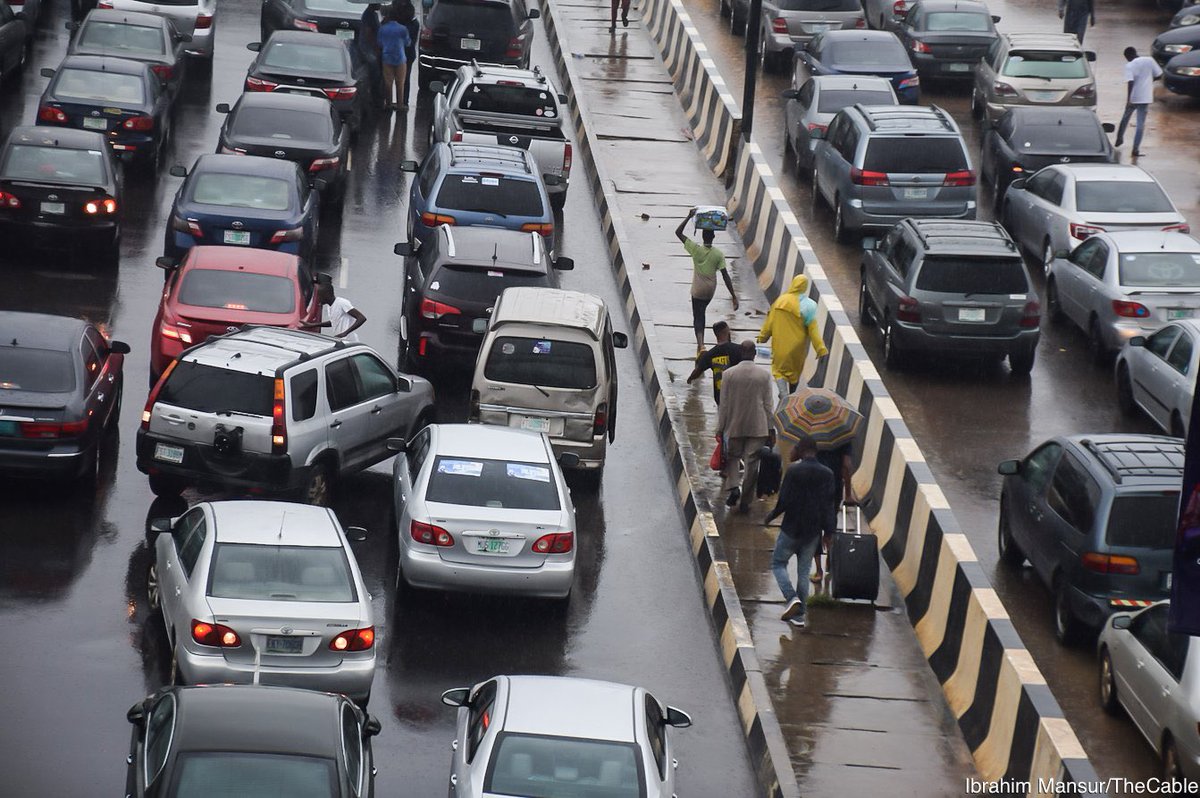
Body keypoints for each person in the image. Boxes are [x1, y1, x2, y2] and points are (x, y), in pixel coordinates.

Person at [764, 435, 836, 628]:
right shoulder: (827, 474)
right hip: (812, 532)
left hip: (791, 528)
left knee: (779, 563)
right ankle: (799, 616)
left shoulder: (794, 471)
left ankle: (791, 597)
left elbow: (784, 501)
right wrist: (829, 532)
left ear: (801, 450)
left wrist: (771, 516)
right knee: (803, 573)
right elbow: (829, 506)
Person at [715, 340, 775, 512]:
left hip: (734, 424)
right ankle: (746, 501)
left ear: (741, 353)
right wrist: (771, 429)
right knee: (752, 463)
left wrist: (720, 427)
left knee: (733, 457)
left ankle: (734, 487)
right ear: (754, 353)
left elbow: (724, 404)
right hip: (758, 426)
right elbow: (768, 405)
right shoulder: (763, 375)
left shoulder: (729, 374)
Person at [675, 208, 738, 354]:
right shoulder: (718, 254)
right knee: (702, 311)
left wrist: (688, 216)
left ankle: (701, 345)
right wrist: (733, 296)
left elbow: (678, 233)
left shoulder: (695, 250)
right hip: (710, 290)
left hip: (697, 289)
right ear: (713, 237)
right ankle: (700, 347)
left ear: (702, 236)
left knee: (698, 316)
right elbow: (725, 276)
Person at [757, 274, 827, 403]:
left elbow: (770, 322)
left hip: (780, 344)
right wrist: (820, 348)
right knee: (794, 373)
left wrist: (762, 337)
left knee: (779, 370)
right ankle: (792, 395)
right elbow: (813, 330)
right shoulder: (809, 306)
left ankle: (783, 395)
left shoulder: (780, 302)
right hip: (798, 348)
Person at [812, 443, 853, 582]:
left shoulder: (810, 432)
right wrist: (848, 493)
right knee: (831, 522)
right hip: (834, 487)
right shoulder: (843, 437)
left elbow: (793, 456)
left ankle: (818, 571)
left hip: (815, 485)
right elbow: (846, 465)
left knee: (814, 526)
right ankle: (830, 559)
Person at [1115, 47, 1163, 158]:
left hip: (1134, 96)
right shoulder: (1149, 60)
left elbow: (1130, 82)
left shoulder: (1130, 65)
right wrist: (1149, 81)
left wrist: (1129, 99)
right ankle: (1135, 149)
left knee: (1125, 117)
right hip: (1145, 97)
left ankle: (1119, 138)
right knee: (1140, 124)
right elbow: (1159, 75)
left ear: (1127, 57)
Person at [686, 321, 745, 405]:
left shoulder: (709, 355)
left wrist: (690, 379)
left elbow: (697, 371)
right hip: (737, 394)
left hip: (720, 397)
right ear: (727, 331)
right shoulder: (739, 349)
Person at [308, 278, 367, 342]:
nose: (318, 299)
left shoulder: (342, 303)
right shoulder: (329, 306)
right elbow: (334, 322)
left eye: (320, 296)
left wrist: (345, 333)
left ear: (327, 295)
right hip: (340, 340)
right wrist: (313, 325)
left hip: (349, 341)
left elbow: (361, 318)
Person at [378, 7, 412, 110]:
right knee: (400, 83)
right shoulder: (403, 29)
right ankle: (400, 105)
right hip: (400, 58)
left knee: (388, 82)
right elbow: (408, 43)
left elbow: (379, 43)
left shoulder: (382, 28)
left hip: (387, 57)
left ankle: (388, 104)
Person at [396, 0, 420, 108]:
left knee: (391, 78)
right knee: (405, 79)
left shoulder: (398, 25)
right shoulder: (414, 24)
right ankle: (404, 102)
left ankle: (398, 101)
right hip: (408, 55)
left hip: (399, 54)